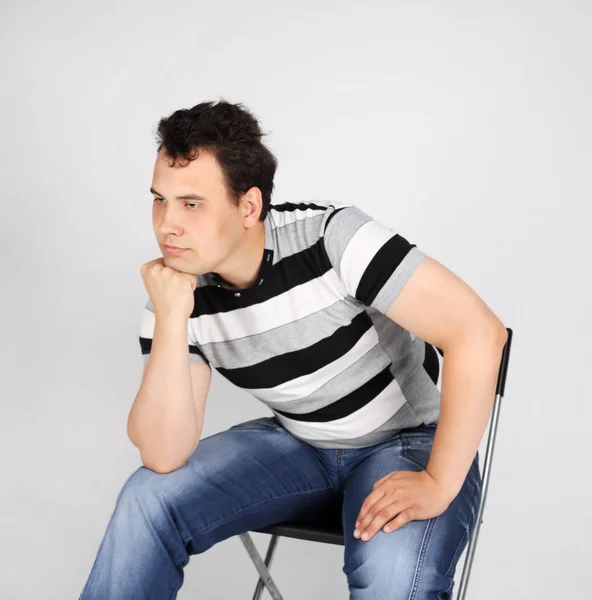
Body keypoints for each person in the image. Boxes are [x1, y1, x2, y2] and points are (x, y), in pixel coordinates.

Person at [78, 99, 507, 599]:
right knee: (147, 499)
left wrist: (438, 481)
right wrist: (173, 317)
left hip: (407, 441)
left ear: (249, 206)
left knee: (391, 579)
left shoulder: (332, 239)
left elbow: (479, 333)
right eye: (159, 199)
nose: (166, 224)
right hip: (302, 444)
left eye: (191, 204)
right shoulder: (174, 290)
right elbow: (163, 453)